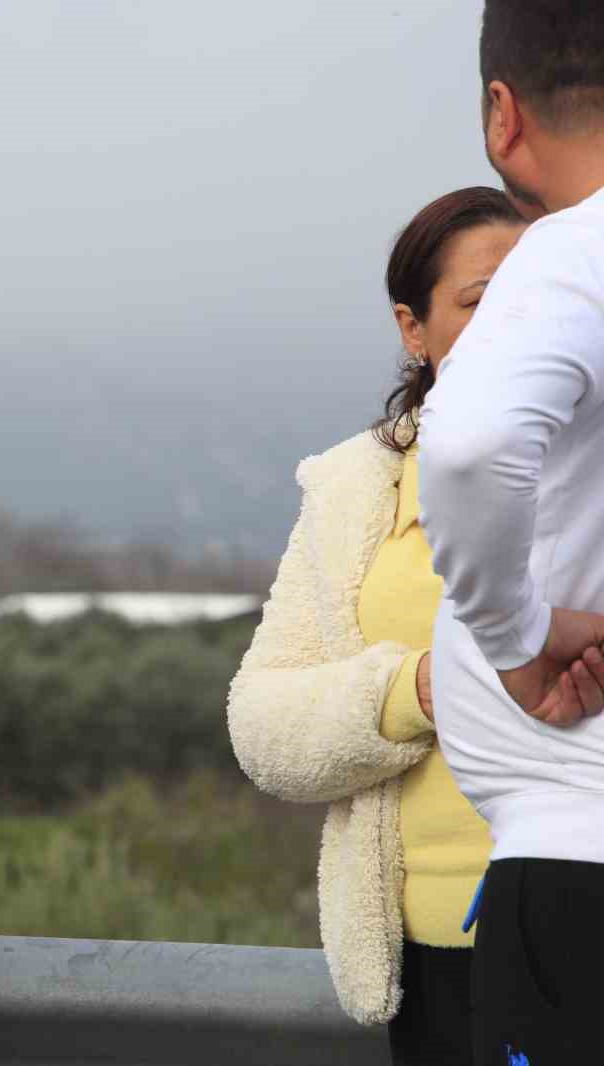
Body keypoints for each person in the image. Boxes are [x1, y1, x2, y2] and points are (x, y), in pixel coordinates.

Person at [228, 188, 525, 1064]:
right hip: (429, 956)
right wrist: (418, 689)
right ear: (414, 328)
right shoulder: (353, 489)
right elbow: (261, 722)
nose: (513, 324)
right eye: (478, 302)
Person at [414, 3, 604, 1063]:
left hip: (579, 866)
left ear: (503, 112)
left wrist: (517, 634)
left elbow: (466, 446)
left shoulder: (571, 250)